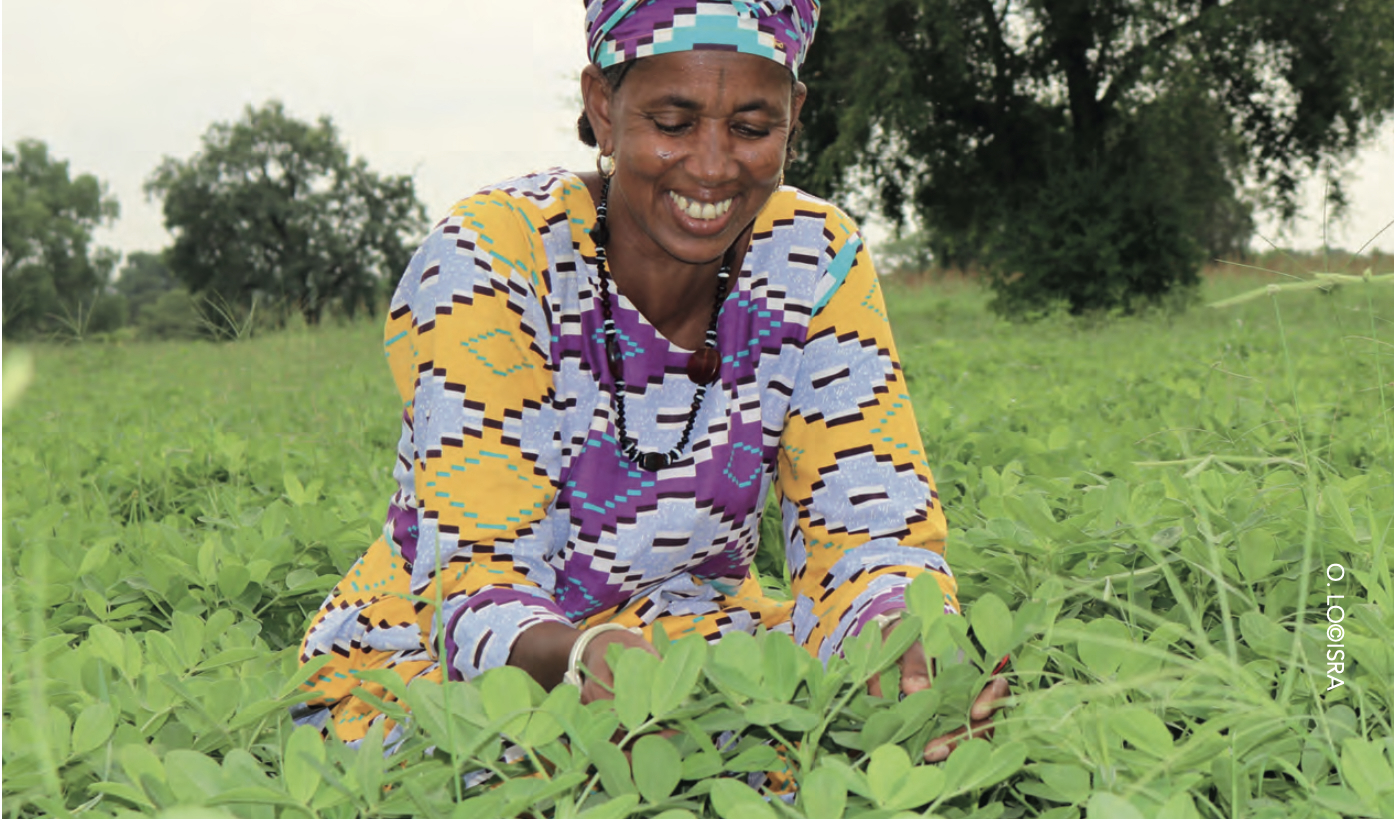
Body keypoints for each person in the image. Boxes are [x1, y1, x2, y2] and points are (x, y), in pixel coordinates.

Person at [295, 0, 1008, 767]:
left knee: (844, 739)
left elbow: (871, 524)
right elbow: (475, 575)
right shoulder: (491, 259)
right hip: (459, 654)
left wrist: (899, 634)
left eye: (752, 127)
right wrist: (584, 658)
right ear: (603, 106)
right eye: (673, 121)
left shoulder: (816, 257)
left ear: (794, 116)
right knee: (516, 768)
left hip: (689, 642)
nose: (710, 164)